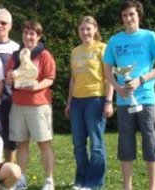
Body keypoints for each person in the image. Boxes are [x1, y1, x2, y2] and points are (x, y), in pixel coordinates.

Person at [103, 1, 155, 190]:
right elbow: (107, 72)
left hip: (146, 99)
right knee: (126, 145)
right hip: (124, 102)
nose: (128, 18)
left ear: (138, 15)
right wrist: (118, 88)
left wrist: (141, 79)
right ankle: (127, 187)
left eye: (131, 14)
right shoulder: (115, 41)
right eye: (124, 15)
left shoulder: (150, 36)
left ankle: (152, 188)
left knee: (151, 144)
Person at [5, 20, 56, 190]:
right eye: (26, 33)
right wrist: (9, 79)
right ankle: (22, 178)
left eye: (32, 33)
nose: (28, 36)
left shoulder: (44, 55)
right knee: (22, 144)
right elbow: (10, 78)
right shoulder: (15, 55)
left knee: (44, 144)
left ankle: (49, 180)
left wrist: (36, 86)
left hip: (39, 105)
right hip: (18, 105)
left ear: (39, 36)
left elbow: (50, 78)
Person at [64, 16, 114, 190]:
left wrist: (109, 101)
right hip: (77, 101)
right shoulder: (75, 51)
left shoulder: (103, 48)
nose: (85, 32)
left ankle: (94, 183)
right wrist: (69, 102)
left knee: (96, 144)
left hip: (96, 99)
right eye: (82, 29)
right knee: (78, 144)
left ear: (94, 29)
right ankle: (81, 180)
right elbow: (73, 79)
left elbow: (109, 77)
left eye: (88, 29)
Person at [0, 8, 20, 163]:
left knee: (11, 134)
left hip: (10, 98)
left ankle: (9, 171)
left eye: (3, 22)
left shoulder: (16, 47)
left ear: (10, 25)